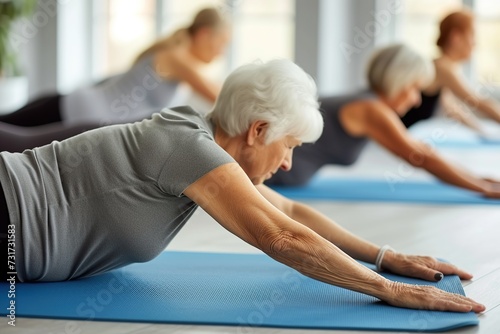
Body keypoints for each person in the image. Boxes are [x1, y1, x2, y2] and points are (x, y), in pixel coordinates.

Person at [0, 59, 485, 313]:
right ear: (257, 131)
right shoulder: (188, 147)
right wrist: (386, 289)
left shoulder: (198, 139)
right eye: (289, 145)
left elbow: (290, 214)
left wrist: (385, 256)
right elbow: (280, 237)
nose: (290, 161)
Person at [267, 44, 500, 199]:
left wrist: (479, 180)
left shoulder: (366, 101)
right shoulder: (371, 108)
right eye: (415, 88)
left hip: (285, 176)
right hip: (275, 174)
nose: (417, 100)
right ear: (400, 81)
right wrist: (483, 189)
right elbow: (421, 157)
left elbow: (423, 152)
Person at [0, 7, 230, 152]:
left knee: (9, 128)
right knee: (8, 131)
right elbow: (221, 96)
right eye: (221, 43)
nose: (222, 52)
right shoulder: (177, 58)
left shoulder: (174, 57)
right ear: (204, 35)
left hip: (78, 108)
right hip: (77, 111)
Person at [401, 9, 500, 131]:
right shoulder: (443, 68)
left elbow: (452, 109)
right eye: (472, 35)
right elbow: (476, 101)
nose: (475, 43)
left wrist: (481, 131)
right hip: (399, 127)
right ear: (456, 37)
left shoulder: (440, 66)